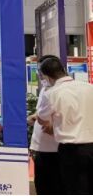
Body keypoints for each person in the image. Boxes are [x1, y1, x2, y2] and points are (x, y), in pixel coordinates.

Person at [36, 56, 93, 194]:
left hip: (70, 151)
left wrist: (54, 124)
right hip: (91, 146)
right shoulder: (89, 87)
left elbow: (41, 118)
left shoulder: (52, 93)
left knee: (72, 189)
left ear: (46, 76)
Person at [27, 55, 62, 195]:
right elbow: (41, 113)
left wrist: (46, 122)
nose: (39, 75)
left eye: (41, 71)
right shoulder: (45, 89)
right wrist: (35, 116)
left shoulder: (59, 91)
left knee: (53, 187)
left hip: (54, 150)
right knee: (41, 186)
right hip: (40, 147)